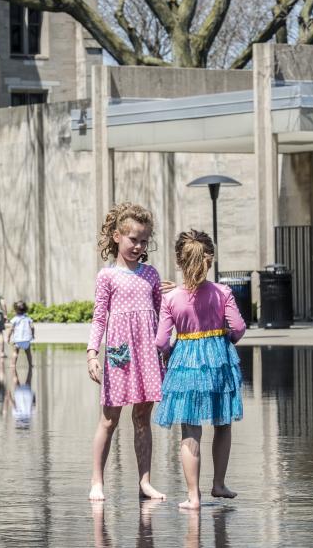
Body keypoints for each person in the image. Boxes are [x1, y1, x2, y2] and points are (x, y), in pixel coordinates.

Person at [153, 230, 246, 510]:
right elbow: (239, 328)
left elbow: (160, 341)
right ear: (210, 260)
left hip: (185, 361)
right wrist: (224, 341)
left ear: (180, 262)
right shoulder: (223, 292)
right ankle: (218, 483)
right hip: (218, 358)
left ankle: (193, 496)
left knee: (190, 430)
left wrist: (171, 354)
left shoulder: (172, 298)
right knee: (223, 422)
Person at [86, 202, 166, 502]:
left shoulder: (152, 274)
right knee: (109, 418)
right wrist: (93, 353)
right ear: (118, 236)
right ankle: (97, 480)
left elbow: (162, 314)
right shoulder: (107, 276)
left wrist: (167, 349)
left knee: (143, 417)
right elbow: (99, 317)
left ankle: (145, 482)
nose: (139, 245)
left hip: (147, 352)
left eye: (144, 240)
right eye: (134, 239)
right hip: (120, 351)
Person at [7, 300, 35, 368]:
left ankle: (13, 365)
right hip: (26, 339)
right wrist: (33, 334)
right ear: (26, 310)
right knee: (28, 353)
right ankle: (30, 364)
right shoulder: (28, 318)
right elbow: (32, 327)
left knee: (15, 353)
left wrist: (8, 337)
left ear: (16, 310)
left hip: (17, 340)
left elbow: (11, 329)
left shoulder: (15, 319)